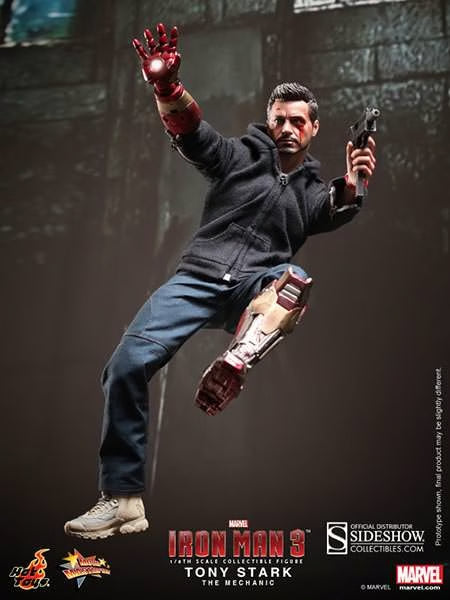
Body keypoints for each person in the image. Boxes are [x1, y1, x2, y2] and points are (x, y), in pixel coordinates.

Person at [64, 23, 376, 539]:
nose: (287, 128)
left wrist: (356, 179)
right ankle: (123, 499)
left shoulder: (310, 193)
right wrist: (167, 87)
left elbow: (338, 202)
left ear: (314, 128)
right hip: (197, 280)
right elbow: (192, 133)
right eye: (279, 120)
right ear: (269, 123)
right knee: (122, 367)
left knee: (294, 280)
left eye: (298, 121)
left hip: (256, 290)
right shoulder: (237, 157)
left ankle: (238, 358)